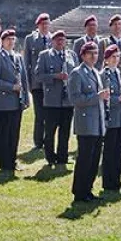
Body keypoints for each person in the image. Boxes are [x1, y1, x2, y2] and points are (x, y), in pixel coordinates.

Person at [68, 42, 107, 202]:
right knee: (84, 158)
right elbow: (75, 99)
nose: (93, 56)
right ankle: (79, 191)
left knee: (94, 159)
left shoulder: (96, 72)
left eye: (96, 53)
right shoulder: (77, 73)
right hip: (86, 123)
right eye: (90, 53)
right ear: (83, 55)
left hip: (97, 122)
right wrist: (97, 97)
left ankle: (88, 189)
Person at [35, 30, 76, 168]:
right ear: (52, 41)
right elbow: (38, 76)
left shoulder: (71, 55)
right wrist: (54, 76)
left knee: (65, 131)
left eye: (63, 40)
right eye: (57, 39)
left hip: (67, 100)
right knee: (50, 131)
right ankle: (50, 156)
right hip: (52, 99)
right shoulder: (45, 55)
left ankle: (62, 156)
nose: (60, 42)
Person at [0, 29, 27, 175]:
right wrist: (11, 87)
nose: (11, 42)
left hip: (16, 102)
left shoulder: (18, 57)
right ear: (2, 41)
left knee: (14, 132)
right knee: (4, 133)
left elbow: (24, 79)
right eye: (8, 39)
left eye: (13, 39)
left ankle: (12, 160)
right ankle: (4, 162)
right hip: (4, 101)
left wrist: (25, 98)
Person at [100, 44, 121, 192]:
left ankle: (117, 180)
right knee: (109, 151)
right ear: (106, 60)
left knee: (119, 151)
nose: (116, 59)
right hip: (110, 117)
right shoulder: (103, 75)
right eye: (113, 57)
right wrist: (117, 99)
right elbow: (102, 98)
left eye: (118, 56)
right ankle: (108, 182)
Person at [24, 13, 53, 152]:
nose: (45, 26)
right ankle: (38, 141)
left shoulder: (53, 39)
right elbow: (27, 63)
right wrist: (28, 84)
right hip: (37, 84)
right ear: (38, 25)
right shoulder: (30, 39)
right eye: (43, 24)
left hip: (52, 83)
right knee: (39, 114)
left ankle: (48, 140)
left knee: (49, 114)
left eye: (47, 24)